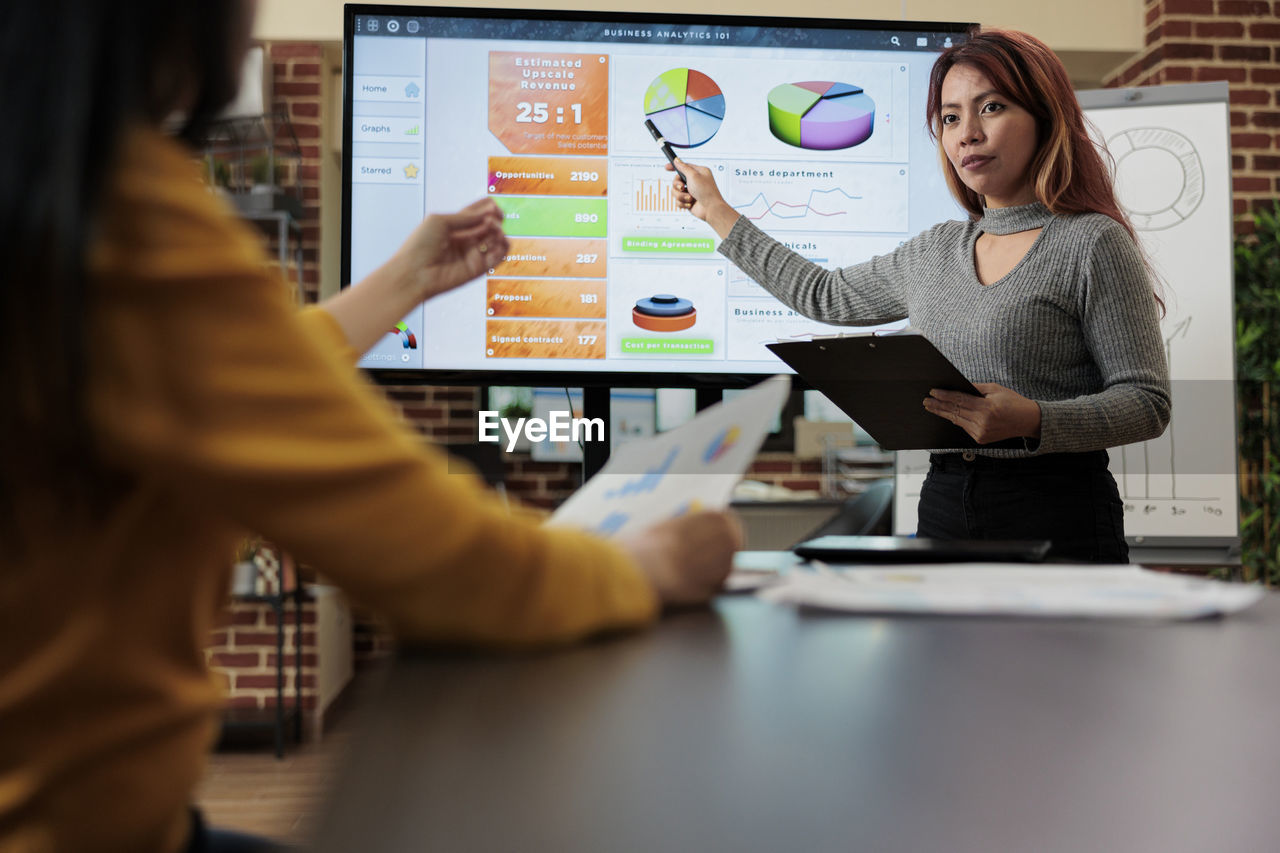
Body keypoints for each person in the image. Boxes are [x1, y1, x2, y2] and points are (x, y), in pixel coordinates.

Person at [0, 2, 739, 851]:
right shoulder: (121, 222)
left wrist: (400, 284)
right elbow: (449, 562)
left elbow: (221, 378)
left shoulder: (49, 205)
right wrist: (642, 563)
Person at [669, 28, 1170, 563]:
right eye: (951, 118)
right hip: (944, 503)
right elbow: (825, 295)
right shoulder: (936, 250)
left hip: (1056, 509)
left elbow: (1147, 403)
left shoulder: (1091, 242)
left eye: (992, 107)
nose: (967, 135)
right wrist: (716, 211)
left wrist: (1032, 419)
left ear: (1045, 118)